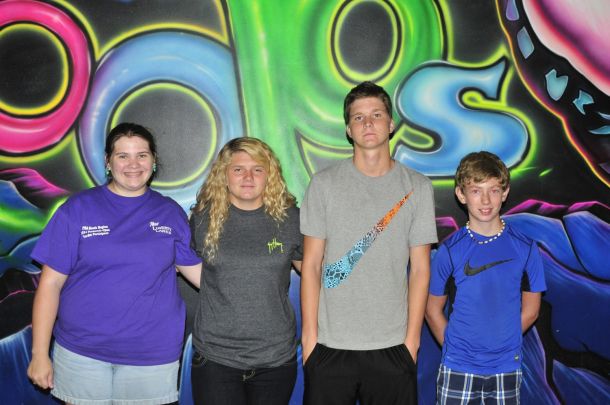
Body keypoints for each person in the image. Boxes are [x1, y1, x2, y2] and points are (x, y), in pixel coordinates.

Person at [27, 123, 202, 405]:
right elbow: (50, 285)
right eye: (123, 156)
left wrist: (256, 280)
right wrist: (39, 354)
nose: (133, 164)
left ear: (154, 161)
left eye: (142, 155)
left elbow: (200, 275)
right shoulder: (77, 209)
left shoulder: (169, 213)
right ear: (108, 162)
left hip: (151, 354)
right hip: (81, 352)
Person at [299, 81, 438, 404]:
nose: (368, 123)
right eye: (358, 117)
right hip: (329, 347)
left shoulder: (417, 187)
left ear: (391, 124)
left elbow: (420, 270)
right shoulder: (323, 185)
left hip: (393, 348)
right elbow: (312, 265)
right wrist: (309, 339)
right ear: (349, 129)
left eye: (376, 115)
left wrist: (412, 341)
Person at [187, 137, 303, 405]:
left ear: (269, 175)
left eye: (257, 169)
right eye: (238, 169)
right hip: (215, 358)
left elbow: (316, 276)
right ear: (224, 174)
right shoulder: (203, 220)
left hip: (275, 358)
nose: (248, 177)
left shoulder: (291, 220)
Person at [425, 151, 547, 404]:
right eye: (476, 190)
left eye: (493, 190)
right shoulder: (449, 251)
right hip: (457, 368)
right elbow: (432, 310)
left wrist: (503, 344)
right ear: (461, 195)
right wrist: (456, 350)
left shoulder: (525, 248)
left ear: (505, 193)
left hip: (506, 368)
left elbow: (532, 310)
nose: (485, 200)